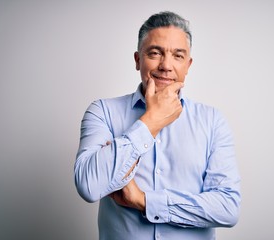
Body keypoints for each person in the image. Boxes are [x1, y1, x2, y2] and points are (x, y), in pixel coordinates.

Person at [74, 11, 241, 240]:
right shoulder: (103, 112)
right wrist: (151, 120)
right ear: (137, 60)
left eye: (178, 56)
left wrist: (145, 202)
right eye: (155, 53)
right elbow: (89, 185)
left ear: (188, 65)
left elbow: (228, 208)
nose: (166, 65)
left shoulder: (213, 122)